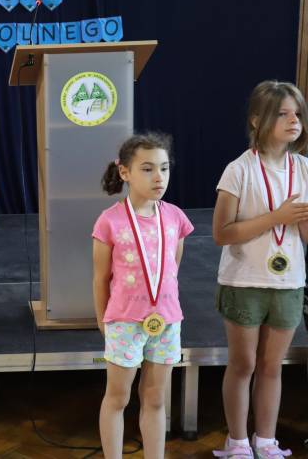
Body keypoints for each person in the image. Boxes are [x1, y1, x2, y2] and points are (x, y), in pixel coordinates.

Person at [212, 81, 308, 459]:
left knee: (272, 365)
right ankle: (237, 441)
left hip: (288, 282)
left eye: (297, 114)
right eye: (283, 114)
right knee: (244, 364)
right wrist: (276, 217)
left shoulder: (304, 169)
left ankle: (265, 440)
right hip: (244, 281)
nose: (293, 121)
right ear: (257, 120)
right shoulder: (239, 170)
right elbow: (221, 233)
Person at [92, 132, 193, 459]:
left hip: (167, 321)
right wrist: (103, 320)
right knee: (118, 398)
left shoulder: (175, 217)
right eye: (147, 169)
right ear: (125, 172)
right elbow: (100, 278)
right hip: (124, 321)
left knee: (155, 398)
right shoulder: (109, 221)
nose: (158, 177)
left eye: (164, 168)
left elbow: (172, 266)